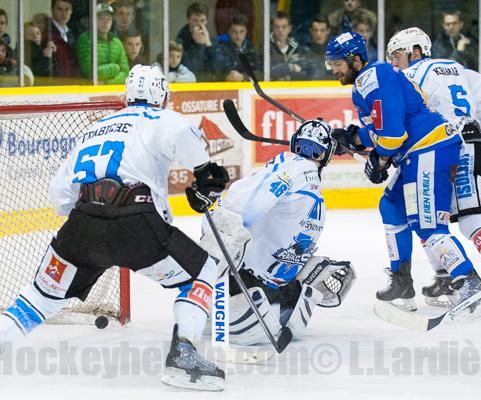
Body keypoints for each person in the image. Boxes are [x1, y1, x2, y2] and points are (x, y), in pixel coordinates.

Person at [0, 64, 230, 391]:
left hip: (80, 227)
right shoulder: (162, 118)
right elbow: (188, 144)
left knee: (38, 299)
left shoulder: (94, 128)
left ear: (125, 96)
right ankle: (184, 355)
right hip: (137, 227)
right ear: (163, 96)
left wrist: (93, 220)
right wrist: (205, 173)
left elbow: (59, 197)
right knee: (205, 271)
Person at [325, 32, 481, 313]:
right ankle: (401, 279)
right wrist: (354, 138)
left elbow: (391, 136)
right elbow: (385, 130)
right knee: (391, 206)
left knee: (428, 226)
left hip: (430, 148)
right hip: (418, 151)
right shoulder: (366, 82)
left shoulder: (374, 77)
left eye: (337, 64)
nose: (333, 71)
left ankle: (471, 284)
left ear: (355, 59)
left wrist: (377, 156)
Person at [386, 27, 481, 312]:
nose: (394, 63)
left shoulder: (409, 76)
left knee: (469, 221)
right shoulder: (457, 68)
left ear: (416, 51)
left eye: (398, 55)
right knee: (426, 215)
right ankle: (445, 275)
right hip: (472, 143)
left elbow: (400, 121)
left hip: (455, 149)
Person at [200, 119, 356, 344]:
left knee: (220, 234)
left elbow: (242, 206)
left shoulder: (289, 165)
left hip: (246, 283)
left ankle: (221, 307)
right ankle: (287, 302)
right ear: (327, 154)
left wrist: (217, 216)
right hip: (279, 290)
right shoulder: (312, 185)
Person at [76, 3, 129, 84]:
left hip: (114, 91)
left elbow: (126, 73)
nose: (105, 22)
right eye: (101, 18)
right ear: (94, 19)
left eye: (109, 19)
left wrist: (107, 82)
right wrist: (114, 68)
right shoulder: (85, 39)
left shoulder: (117, 43)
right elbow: (88, 71)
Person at [176, 2, 216, 81]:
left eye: (202, 20)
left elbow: (220, 69)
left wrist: (209, 45)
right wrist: (199, 45)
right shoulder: (180, 42)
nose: (199, 24)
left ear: (207, 21)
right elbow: (190, 71)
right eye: (195, 20)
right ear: (188, 20)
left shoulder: (212, 40)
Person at [213, 14, 257, 82]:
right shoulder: (221, 48)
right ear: (229, 32)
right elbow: (216, 72)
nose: (238, 35)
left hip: (248, 89)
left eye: (241, 31)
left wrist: (243, 77)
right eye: (234, 31)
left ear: (246, 32)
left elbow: (261, 72)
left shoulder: (252, 49)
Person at [270, 12, 309, 81]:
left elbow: (305, 73)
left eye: (284, 27)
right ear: (272, 28)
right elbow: (268, 72)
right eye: (277, 27)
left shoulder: (298, 48)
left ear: (289, 29)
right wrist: (291, 67)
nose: (280, 30)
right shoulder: (266, 48)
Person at [45, 0, 79, 78]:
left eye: (67, 9)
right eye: (59, 9)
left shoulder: (71, 33)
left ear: (71, 11)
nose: (64, 13)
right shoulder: (46, 31)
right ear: (52, 10)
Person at [303, 15, 333, 80]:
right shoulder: (303, 51)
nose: (318, 34)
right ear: (311, 31)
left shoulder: (336, 52)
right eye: (316, 30)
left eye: (322, 30)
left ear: (328, 31)